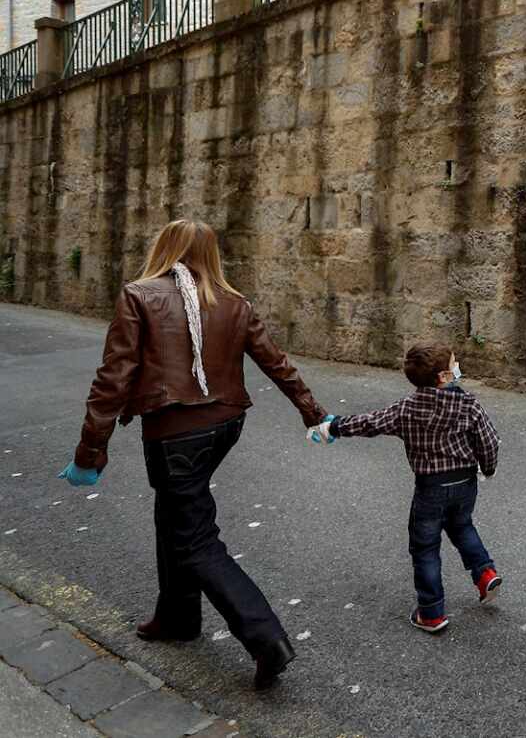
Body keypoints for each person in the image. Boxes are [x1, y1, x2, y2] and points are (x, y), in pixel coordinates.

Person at [57, 220, 328, 690]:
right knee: (176, 515)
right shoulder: (235, 302)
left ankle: (267, 640)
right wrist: (312, 412)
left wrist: (90, 451)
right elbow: (277, 363)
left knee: (195, 539)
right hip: (224, 426)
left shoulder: (139, 295)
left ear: (164, 247)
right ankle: (177, 617)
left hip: (175, 434)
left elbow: (112, 380)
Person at [308, 344, 501, 633]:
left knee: (425, 548)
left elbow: (370, 422)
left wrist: (333, 428)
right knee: (462, 526)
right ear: (444, 376)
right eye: (453, 363)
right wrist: (487, 468)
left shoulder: (406, 409)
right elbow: (488, 440)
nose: (458, 365)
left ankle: (432, 613)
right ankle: (484, 573)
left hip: (430, 489)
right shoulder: (469, 404)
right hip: (464, 483)